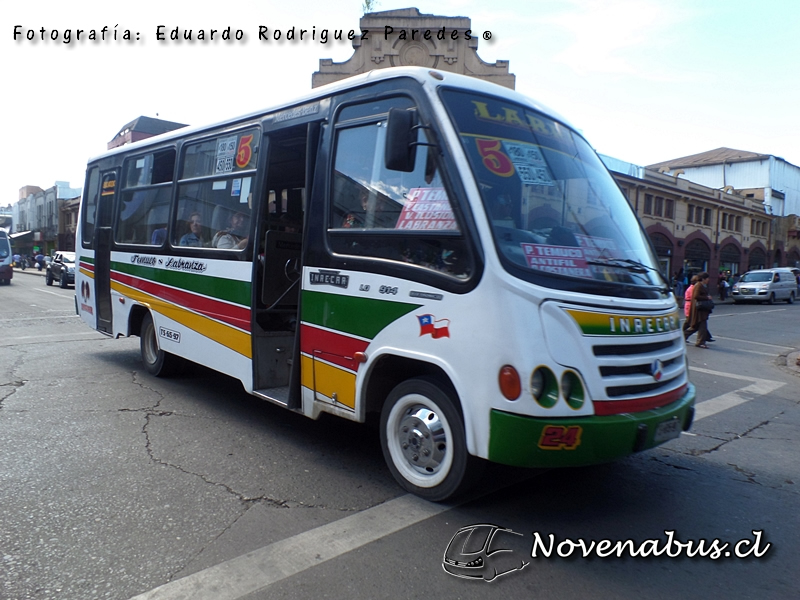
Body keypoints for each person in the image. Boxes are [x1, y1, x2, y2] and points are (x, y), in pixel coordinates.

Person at [685, 272, 713, 348]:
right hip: (699, 310)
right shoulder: (698, 286)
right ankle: (700, 342)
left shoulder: (701, 285)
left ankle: (683, 337)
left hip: (701, 310)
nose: (708, 280)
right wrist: (707, 298)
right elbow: (696, 296)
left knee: (696, 326)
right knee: (702, 326)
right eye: (707, 278)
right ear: (703, 279)